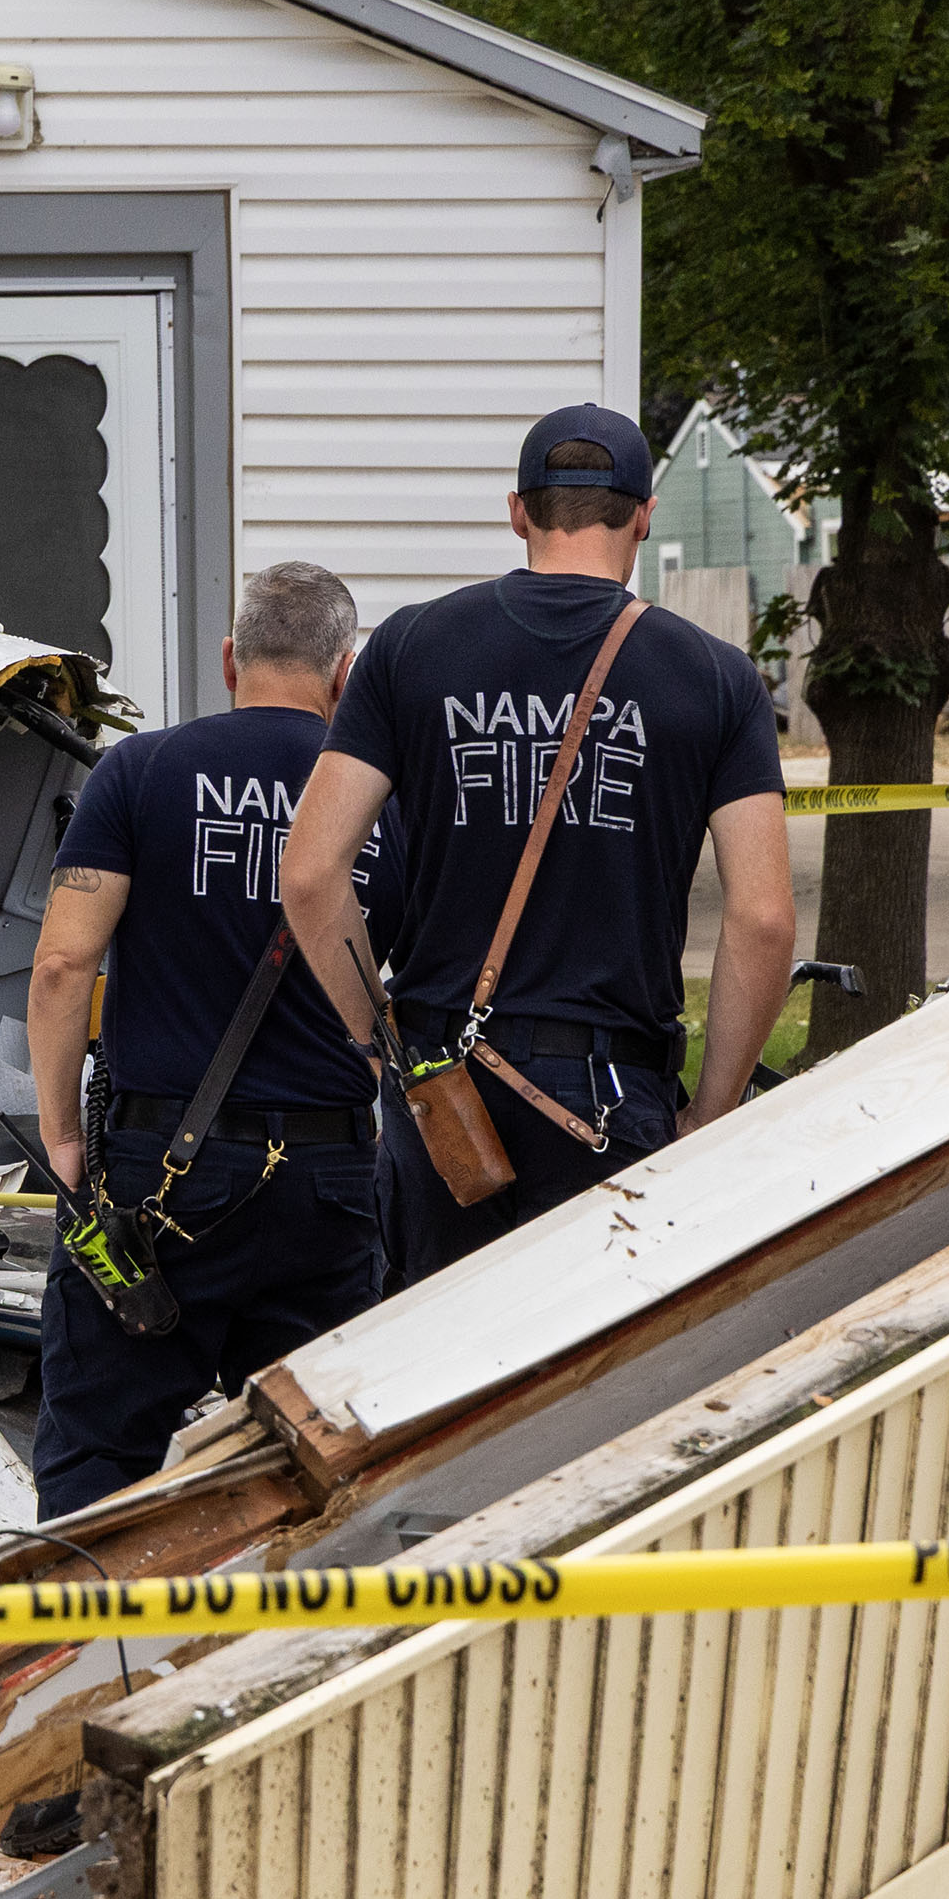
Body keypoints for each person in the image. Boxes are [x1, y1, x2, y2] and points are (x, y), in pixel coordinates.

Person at [281, 405, 796, 1282]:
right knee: (595, 1386)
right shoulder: (715, 676)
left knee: (433, 1374)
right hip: (612, 1099)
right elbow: (763, 918)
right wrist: (709, 1113)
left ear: (518, 511)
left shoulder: (412, 646)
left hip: (445, 1099)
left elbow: (310, 870)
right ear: (644, 515)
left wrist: (381, 1044)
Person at [27, 562, 389, 1515]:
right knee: (319, 1467)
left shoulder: (139, 771)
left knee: (97, 1458)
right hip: (328, 1181)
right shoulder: (387, 800)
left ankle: (84, 1657)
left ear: (231, 660)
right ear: (345, 675)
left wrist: (63, 1135)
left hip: (161, 1179)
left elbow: (64, 965)